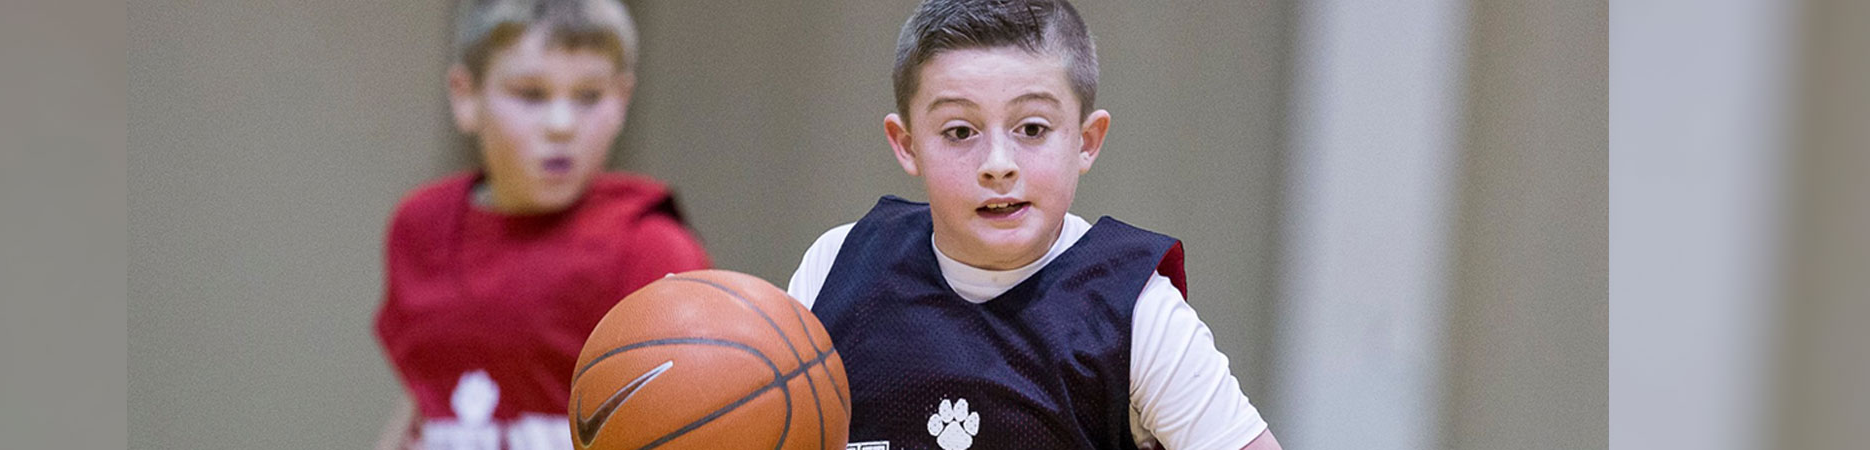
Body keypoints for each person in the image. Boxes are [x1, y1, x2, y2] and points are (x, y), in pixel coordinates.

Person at [785, 1, 1281, 448]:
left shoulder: (1137, 310)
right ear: (907, 143)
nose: (998, 164)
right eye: (960, 131)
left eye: (1032, 129)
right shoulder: (838, 265)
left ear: (1086, 141)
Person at [372, 1, 709, 448]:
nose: (561, 126)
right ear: (465, 95)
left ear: (622, 100)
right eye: (531, 94)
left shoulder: (652, 247)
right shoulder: (419, 227)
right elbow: (428, 391)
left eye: (589, 96)